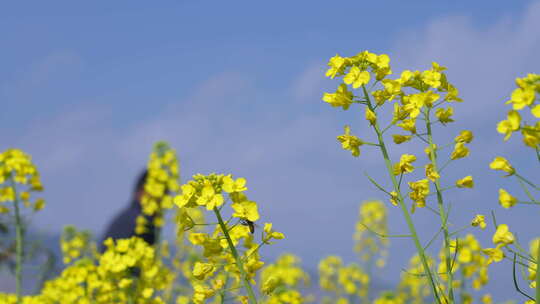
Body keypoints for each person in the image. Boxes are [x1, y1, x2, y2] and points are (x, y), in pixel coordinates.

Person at [99, 170, 155, 252]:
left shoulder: (125, 216)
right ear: (142, 192)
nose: (162, 198)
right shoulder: (142, 222)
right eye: (160, 192)